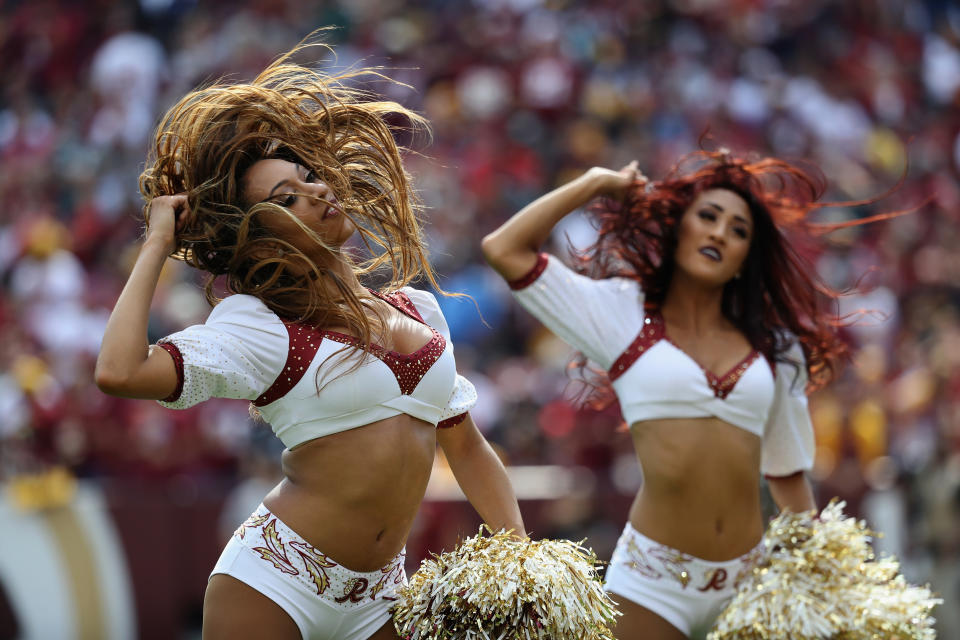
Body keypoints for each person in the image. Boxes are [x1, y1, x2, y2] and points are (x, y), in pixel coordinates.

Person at [95, 41, 525, 640]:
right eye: (285, 199)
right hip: (273, 586)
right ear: (257, 234)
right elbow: (119, 370)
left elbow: (470, 449)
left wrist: (527, 561)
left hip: (381, 598)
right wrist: (156, 245)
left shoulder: (419, 309)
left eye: (309, 178)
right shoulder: (259, 325)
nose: (316, 192)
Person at [482, 150, 855, 639]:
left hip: (751, 586)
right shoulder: (622, 314)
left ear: (747, 257)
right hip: (651, 583)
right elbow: (505, 250)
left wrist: (825, 575)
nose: (721, 233)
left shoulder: (774, 346)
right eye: (708, 217)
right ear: (679, 229)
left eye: (739, 230)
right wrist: (594, 183)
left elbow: (787, 473)